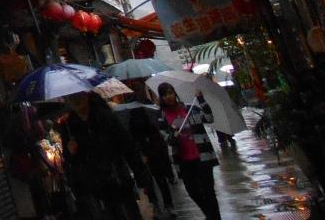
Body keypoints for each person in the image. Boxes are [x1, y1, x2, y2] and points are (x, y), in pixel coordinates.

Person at [60, 92, 149, 220]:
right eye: (70, 97)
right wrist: (71, 153)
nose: (76, 100)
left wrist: (140, 175)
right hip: (96, 186)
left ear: (86, 95)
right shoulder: (68, 127)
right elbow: (71, 162)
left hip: (118, 178)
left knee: (131, 214)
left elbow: (127, 145)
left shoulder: (106, 117)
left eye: (78, 95)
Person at [156, 82, 221, 220]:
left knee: (208, 191)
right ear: (161, 98)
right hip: (183, 160)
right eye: (165, 94)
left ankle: (215, 217)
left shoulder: (189, 109)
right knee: (193, 191)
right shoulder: (162, 116)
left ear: (174, 93)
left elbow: (209, 118)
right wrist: (172, 137)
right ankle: (210, 214)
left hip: (202, 156)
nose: (168, 97)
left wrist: (201, 99)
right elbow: (165, 137)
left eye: (170, 93)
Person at [123, 99, 175, 219]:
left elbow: (132, 142)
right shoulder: (148, 120)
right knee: (158, 182)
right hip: (150, 156)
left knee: (153, 183)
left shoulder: (132, 124)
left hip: (147, 157)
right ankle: (164, 205)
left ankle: (158, 206)